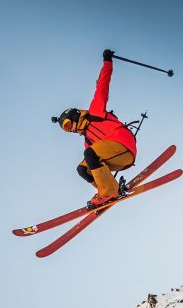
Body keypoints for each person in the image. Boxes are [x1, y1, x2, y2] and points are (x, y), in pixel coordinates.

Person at [53, 49, 138, 209]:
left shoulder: (95, 112)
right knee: (82, 169)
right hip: (117, 158)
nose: (70, 130)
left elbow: (102, 86)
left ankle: (108, 191)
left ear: (75, 116)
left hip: (123, 144)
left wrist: (107, 62)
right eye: (66, 129)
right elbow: (96, 166)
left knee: (90, 154)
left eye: (68, 124)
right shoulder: (88, 141)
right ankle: (107, 190)